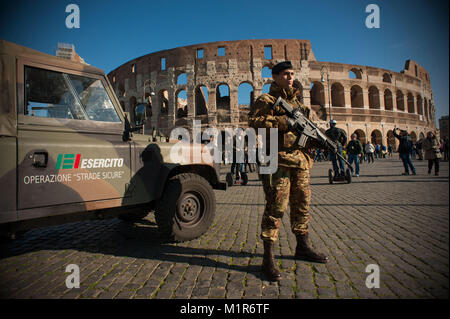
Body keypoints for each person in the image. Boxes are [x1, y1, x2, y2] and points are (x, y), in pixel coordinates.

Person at [248, 61, 328, 281]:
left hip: (301, 162)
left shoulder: (300, 104)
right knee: (276, 207)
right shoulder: (267, 100)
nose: (290, 77)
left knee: (302, 205)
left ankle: (302, 246)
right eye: (285, 74)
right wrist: (283, 121)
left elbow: (308, 134)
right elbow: (254, 121)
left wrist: (322, 142)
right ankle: (268, 258)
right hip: (278, 161)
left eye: (292, 74)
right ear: (275, 77)